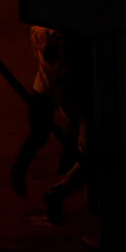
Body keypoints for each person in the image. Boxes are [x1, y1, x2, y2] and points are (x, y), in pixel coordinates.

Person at [10, 27, 88, 198]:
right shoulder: (59, 36)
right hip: (61, 89)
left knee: (44, 134)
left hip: (45, 87)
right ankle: (62, 184)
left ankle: (24, 171)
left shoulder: (39, 31)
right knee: (75, 132)